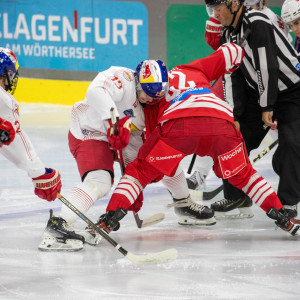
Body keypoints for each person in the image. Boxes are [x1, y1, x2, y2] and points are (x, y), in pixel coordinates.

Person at [95, 43, 300, 238]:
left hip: (178, 127)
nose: (149, 99)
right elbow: (231, 52)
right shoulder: (192, 69)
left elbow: (152, 162)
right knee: (244, 174)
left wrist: (132, 189)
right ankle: (282, 216)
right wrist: (235, 46)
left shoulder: (148, 103)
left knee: (139, 171)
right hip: (221, 122)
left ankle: (109, 219)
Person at [39, 59, 217, 251]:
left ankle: (184, 203)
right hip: (90, 132)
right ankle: (59, 224)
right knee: (100, 181)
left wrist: (133, 188)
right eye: (146, 94)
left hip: (124, 140)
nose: (150, 101)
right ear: (138, 82)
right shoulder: (123, 79)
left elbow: (134, 148)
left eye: (156, 97)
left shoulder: (151, 107)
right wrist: (113, 122)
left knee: (163, 159)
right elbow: (95, 91)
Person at [205, 0, 300, 221]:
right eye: (212, 9)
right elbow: (232, 74)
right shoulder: (227, 35)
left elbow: (267, 66)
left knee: (292, 144)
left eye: (218, 8)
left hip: (292, 92)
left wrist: (267, 106)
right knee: (232, 139)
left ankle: (288, 203)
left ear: (234, 4)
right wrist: (234, 114)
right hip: (259, 94)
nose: (215, 14)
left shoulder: (256, 22)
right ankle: (237, 196)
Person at [0, 48, 62, 210]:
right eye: (10, 75)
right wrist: (39, 173)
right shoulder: (5, 101)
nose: (9, 81)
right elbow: (16, 140)